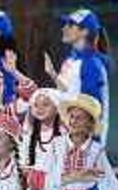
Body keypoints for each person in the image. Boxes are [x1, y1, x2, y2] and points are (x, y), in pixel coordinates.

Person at [43, 8, 111, 145]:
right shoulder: (72, 59)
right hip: (69, 134)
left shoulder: (90, 64)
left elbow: (92, 109)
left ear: (84, 32)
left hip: (84, 142)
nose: (64, 29)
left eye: (70, 25)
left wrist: (87, 145)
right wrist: (53, 75)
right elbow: (68, 93)